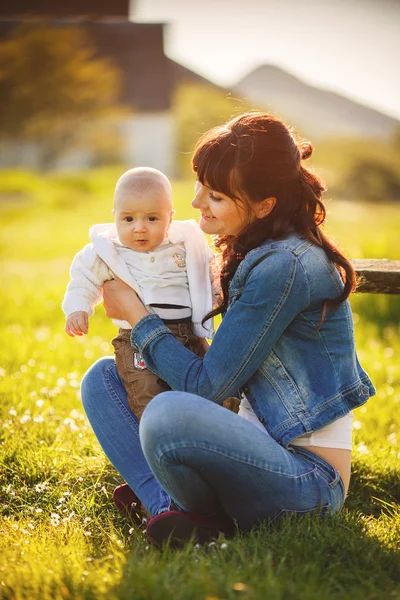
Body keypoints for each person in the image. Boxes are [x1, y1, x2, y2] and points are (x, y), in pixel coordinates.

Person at [80, 112, 375, 548]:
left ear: (264, 205)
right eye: (200, 185)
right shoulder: (257, 249)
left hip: (307, 481)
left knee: (167, 413)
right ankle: (173, 512)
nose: (197, 202)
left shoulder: (285, 266)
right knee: (103, 379)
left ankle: (173, 507)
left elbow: (206, 389)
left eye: (215, 195)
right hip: (253, 450)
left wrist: (140, 318)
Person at [63, 167, 217, 420]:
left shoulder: (184, 244)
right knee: (147, 393)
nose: (139, 229)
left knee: (206, 389)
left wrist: (217, 292)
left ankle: (205, 431)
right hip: (135, 342)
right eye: (128, 219)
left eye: (152, 219)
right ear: (115, 217)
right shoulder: (106, 250)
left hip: (187, 333)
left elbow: (208, 272)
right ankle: (157, 434)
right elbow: (83, 280)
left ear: (170, 217)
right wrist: (78, 308)